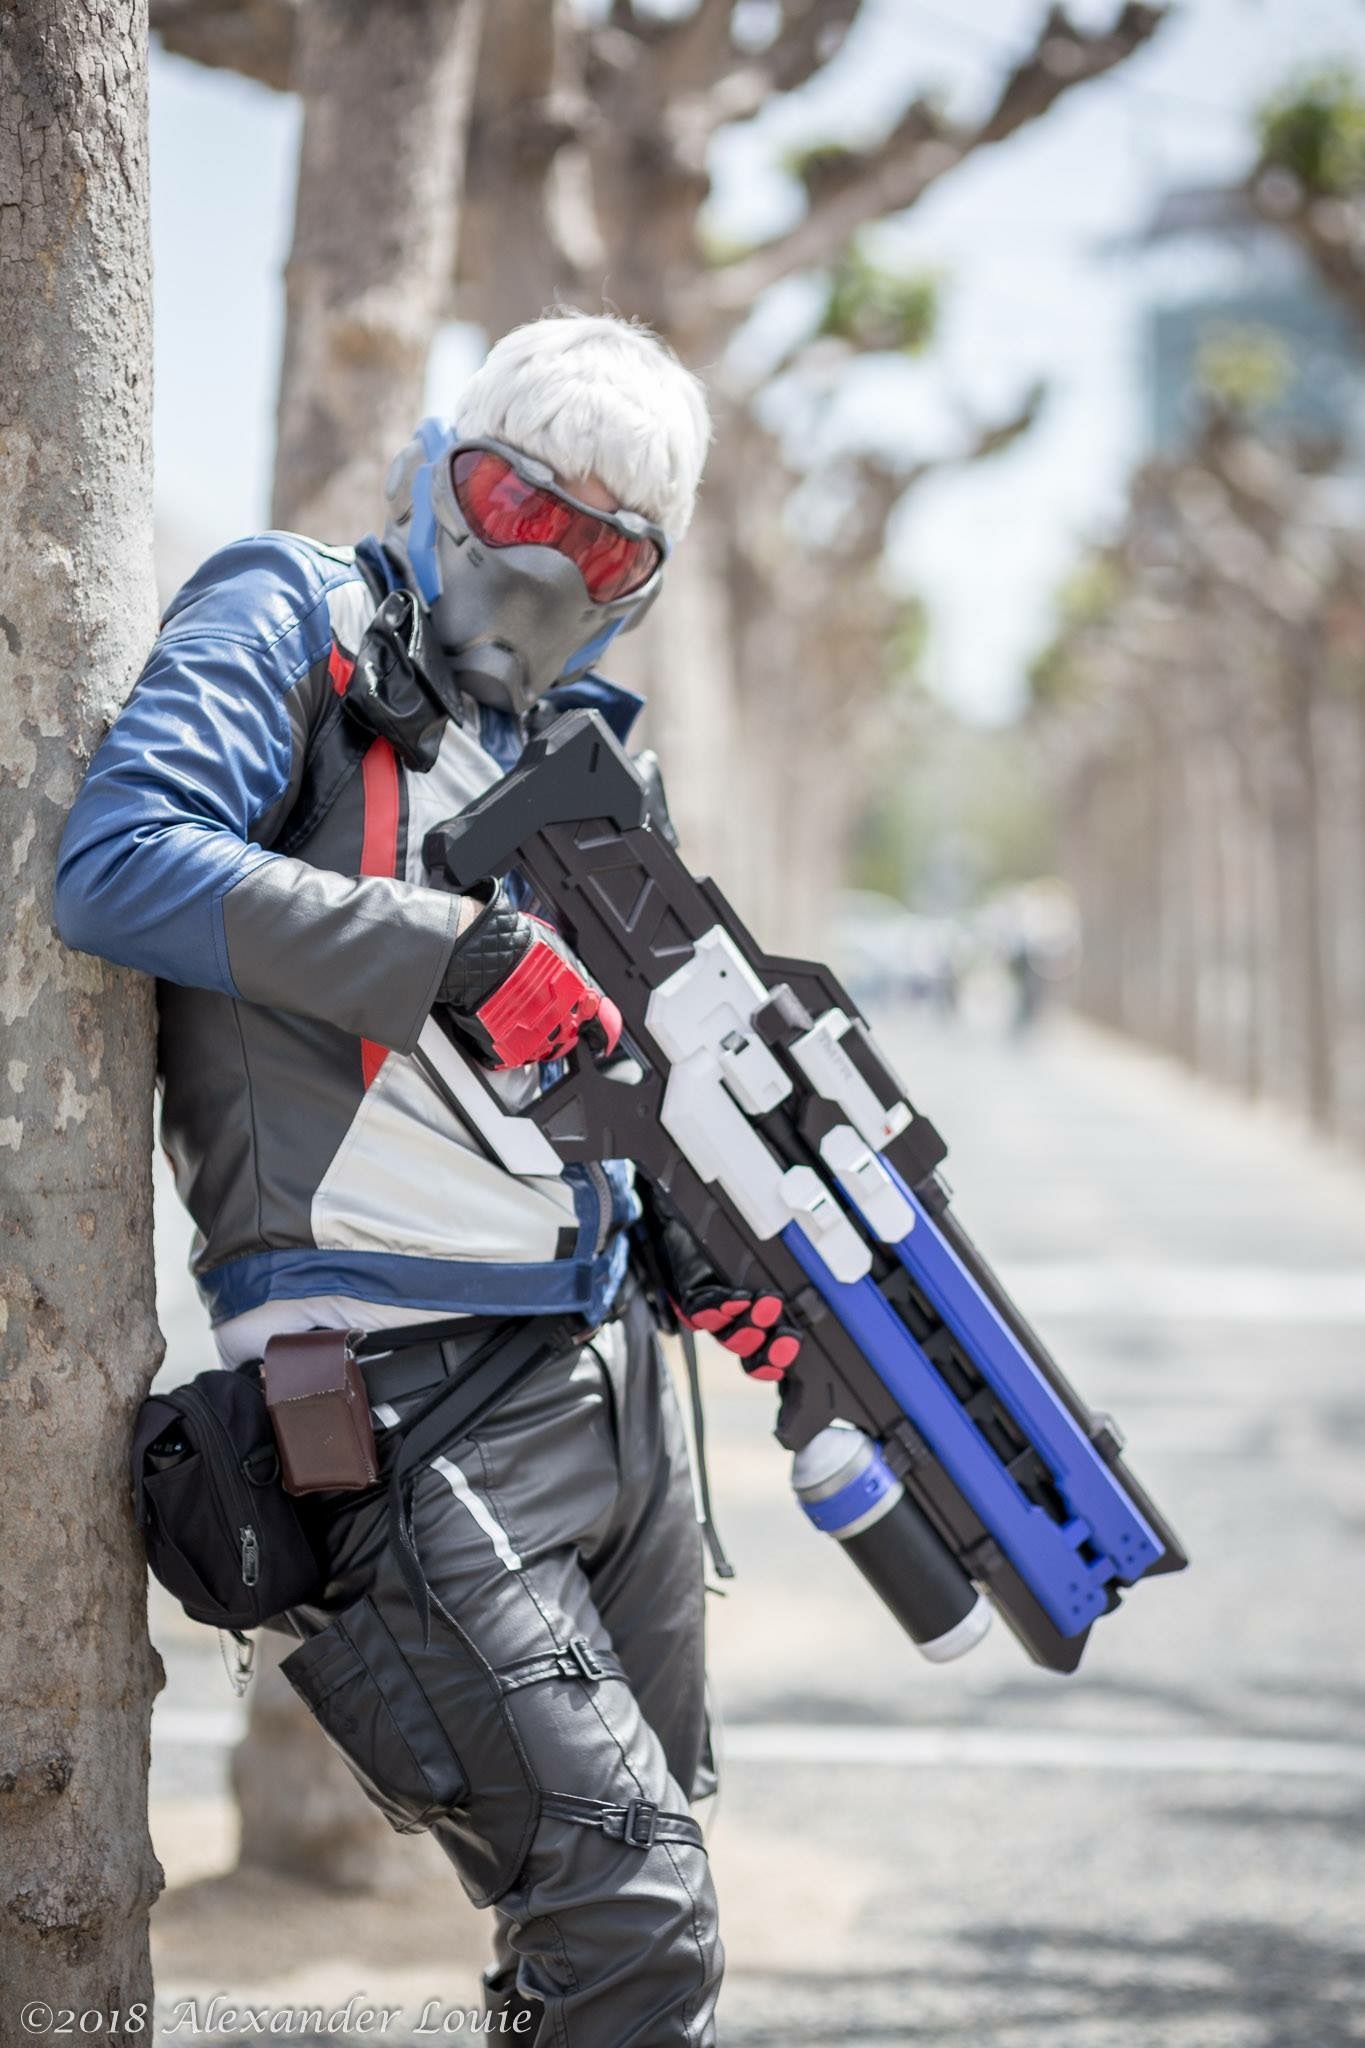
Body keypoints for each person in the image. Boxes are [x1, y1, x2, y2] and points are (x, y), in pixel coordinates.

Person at [54, 311, 804, 2045]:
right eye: (515, 503)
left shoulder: (591, 753)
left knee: (619, 1894)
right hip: (390, 1393)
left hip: (604, 1385)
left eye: (601, 547)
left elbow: (615, 1082)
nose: (541, 565)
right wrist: (450, 950)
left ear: (641, 581)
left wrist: (703, 1248)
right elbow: (121, 863)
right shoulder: (297, 616)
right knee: (633, 1925)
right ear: (434, 469)